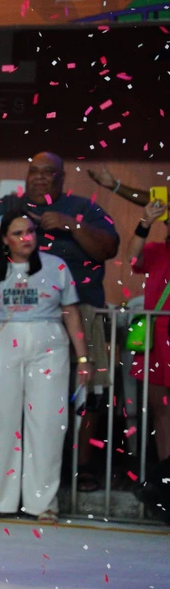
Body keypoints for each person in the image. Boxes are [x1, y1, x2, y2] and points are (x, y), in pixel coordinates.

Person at [0, 152, 119, 492]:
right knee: (11, 401)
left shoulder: (83, 208)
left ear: (61, 178)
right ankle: (9, 477)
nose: (38, 177)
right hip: (15, 318)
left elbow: (108, 248)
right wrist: (5, 220)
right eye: (33, 171)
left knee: (88, 388)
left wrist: (71, 225)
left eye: (47, 172)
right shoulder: (7, 205)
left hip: (80, 308)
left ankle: (82, 466)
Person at [0, 210, 90, 522]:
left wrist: (83, 358)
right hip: (1, 342)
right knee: (1, 420)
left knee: (48, 422)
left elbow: (71, 312)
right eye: (18, 233)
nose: (26, 238)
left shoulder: (55, 266)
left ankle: (42, 501)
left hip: (49, 342)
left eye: (30, 231)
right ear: (5, 239)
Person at [124, 197, 170, 523]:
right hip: (158, 340)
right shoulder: (156, 251)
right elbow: (132, 257)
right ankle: (166, 482)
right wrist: (145, 221)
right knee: (162, 413)